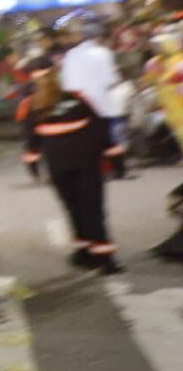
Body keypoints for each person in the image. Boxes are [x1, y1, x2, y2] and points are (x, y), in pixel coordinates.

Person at [20, 63, 125, 274]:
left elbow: (32, 141)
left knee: (73, 208)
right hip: (87, 163)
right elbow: (101, 131)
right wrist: (116, 162)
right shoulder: (78, 99)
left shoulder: (33, 106)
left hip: (59, 167)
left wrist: (32, 166)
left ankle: (84, 252)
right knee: (93, 209)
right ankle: (105, 259)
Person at [61, 13, 132, 178]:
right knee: (109, 139)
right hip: (101, 103)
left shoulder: (70, 54)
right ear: (98, 37)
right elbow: (112, 80)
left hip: (78, 103)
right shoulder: (103, 53)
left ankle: (93, 171)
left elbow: (66, 82)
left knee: (84, 141)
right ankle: (118, 170)